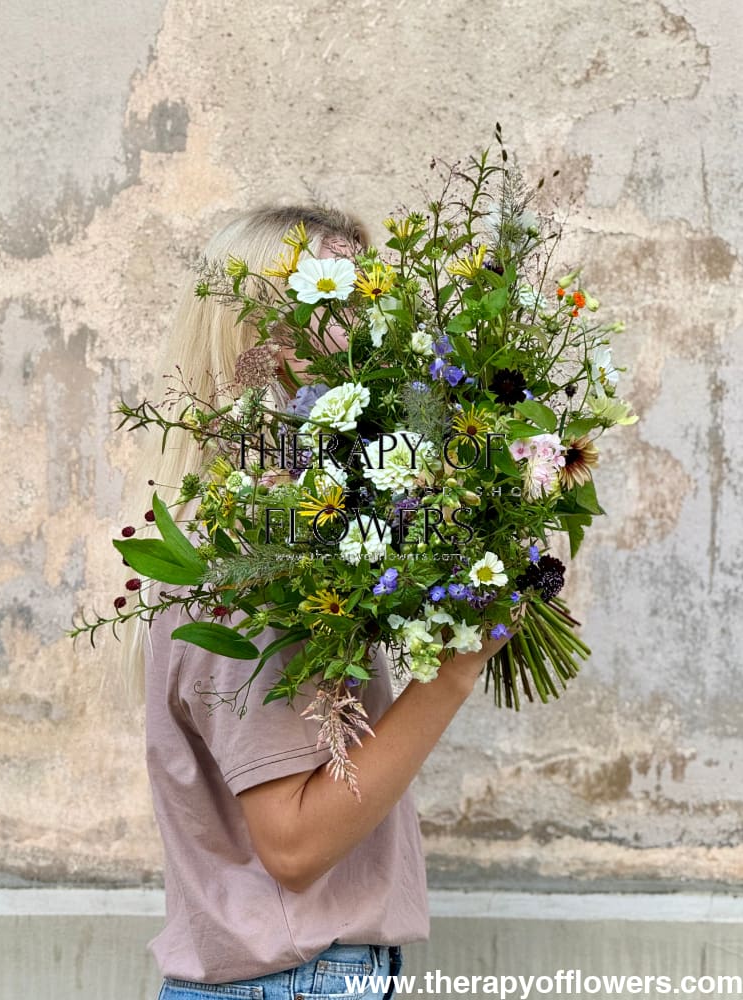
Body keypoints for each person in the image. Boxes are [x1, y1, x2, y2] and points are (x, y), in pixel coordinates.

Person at [122, 205, 514, 999]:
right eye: (337, 300)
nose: (371, 326)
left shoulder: (288, 535)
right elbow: (293, 845)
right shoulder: (245, 568)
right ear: (255, 339)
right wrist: (458, 666)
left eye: (374, 296)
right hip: (295, 982)